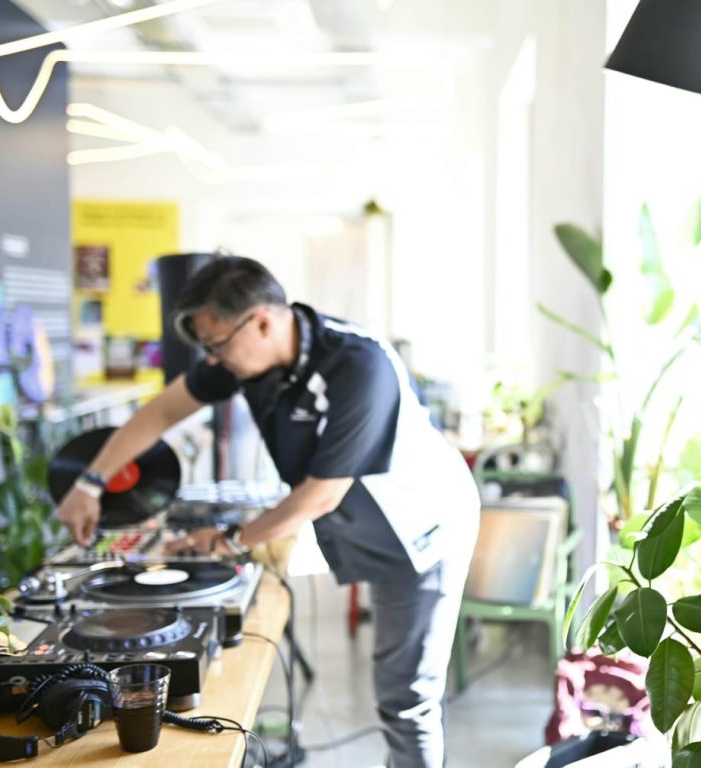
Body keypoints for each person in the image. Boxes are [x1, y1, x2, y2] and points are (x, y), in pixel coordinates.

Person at [56, 256, 480, 768]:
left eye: (216, 345)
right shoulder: (246, 357)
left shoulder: (357, 364)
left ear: (260, 321)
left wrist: (230, 540)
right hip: (365, 522)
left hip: (423, 528)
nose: (212, 359)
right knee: (398, 689)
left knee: (405, 698)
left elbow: (321, 495)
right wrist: (90, 482)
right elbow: (163, 410)